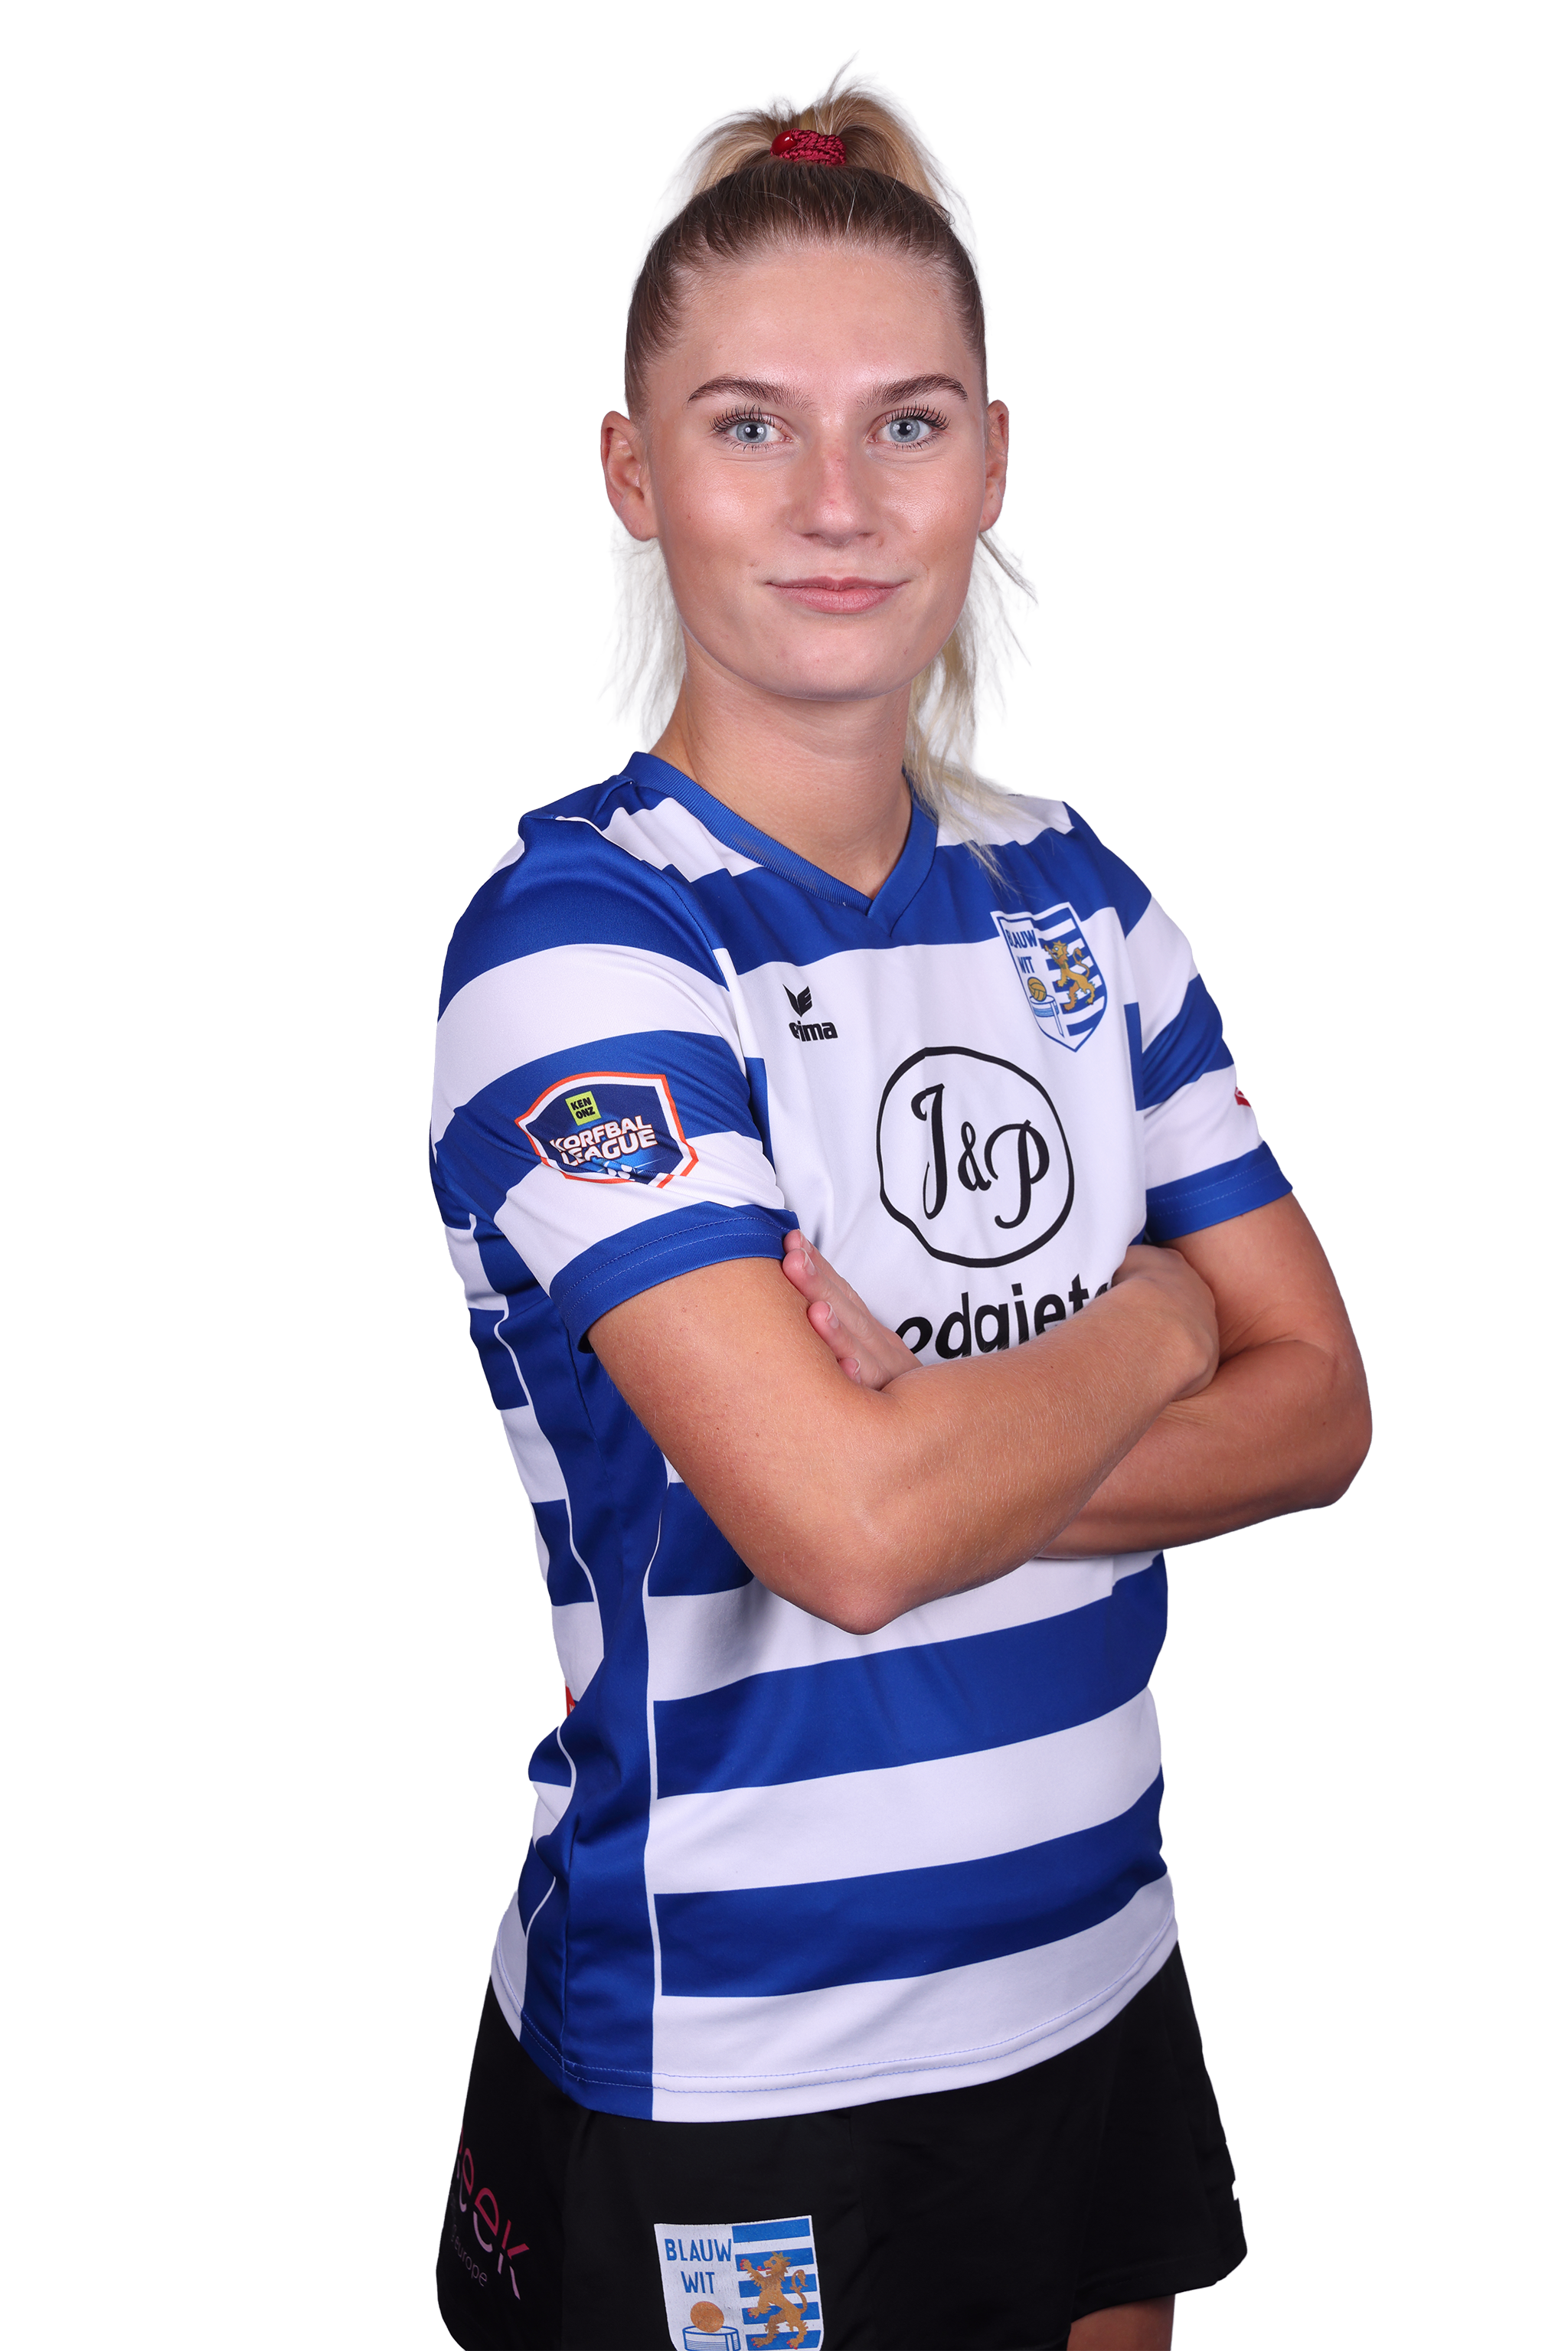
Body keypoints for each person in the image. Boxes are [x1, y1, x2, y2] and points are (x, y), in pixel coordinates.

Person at [430, 77, 1370, 2351]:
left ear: (992, 463)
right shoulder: (584, 944)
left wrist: (931, 1445)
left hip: (1095, 1975)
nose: (837, 504)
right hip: (745, 2056)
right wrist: (1153, 1324)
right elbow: (845, 1536)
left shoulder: (1084, 911)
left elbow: (1328, 1408)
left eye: (908, 424)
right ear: (632, 475)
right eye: (750, 426)